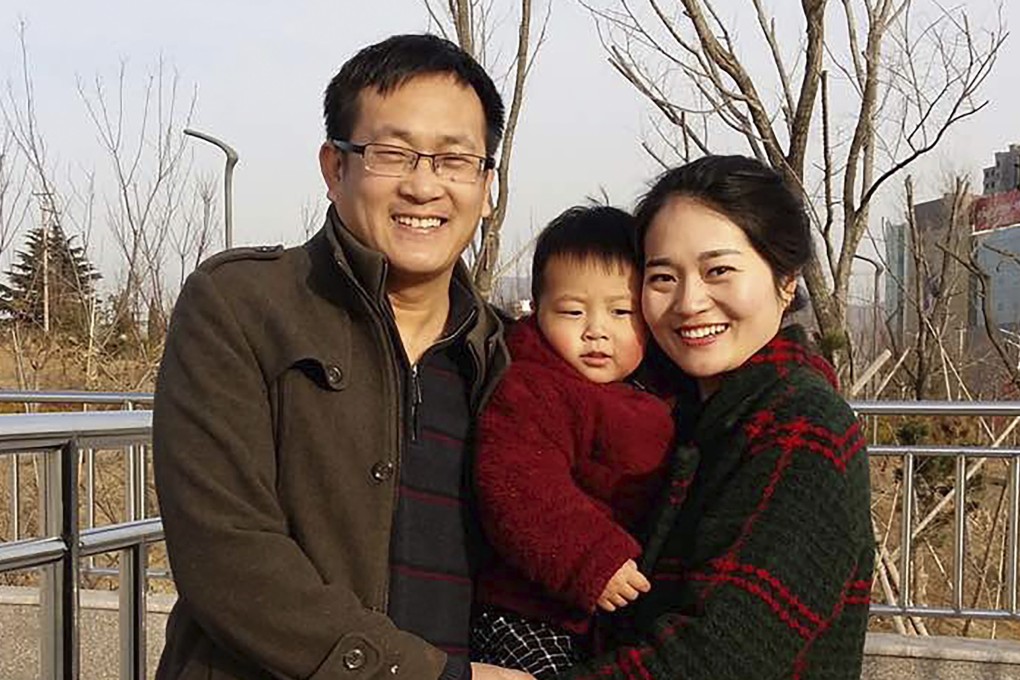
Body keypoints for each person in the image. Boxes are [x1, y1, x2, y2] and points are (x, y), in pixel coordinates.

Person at [153, 34, 534, 680]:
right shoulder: (242, 307)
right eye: (392, 154)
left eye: (454, 160)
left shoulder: (507, 357)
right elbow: (226, 553)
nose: (424, 186)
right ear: (335, 168)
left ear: (487, 184)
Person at [564, 155, 875, 679]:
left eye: (719, 271)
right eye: (663, 277)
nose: (689, 303)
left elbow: (720, 656)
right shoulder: (675, 413)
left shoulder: (802, 425)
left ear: (785, 280)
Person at [470, 206, 675, 679]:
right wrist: (591, 559)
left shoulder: (656, 392)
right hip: (528, 612)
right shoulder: (531, 387)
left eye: (621, 312)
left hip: (607, 617)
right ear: (537, 311)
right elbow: (518, 486)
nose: (596, 330)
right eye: (572, 311)